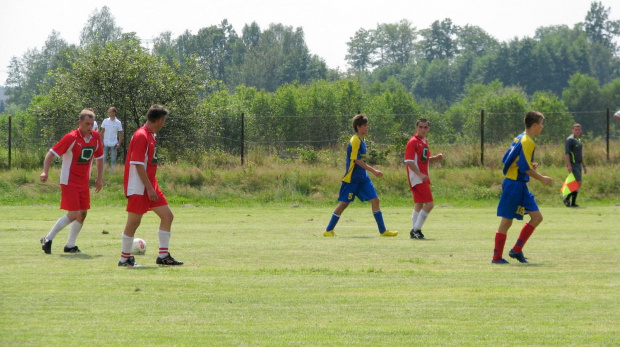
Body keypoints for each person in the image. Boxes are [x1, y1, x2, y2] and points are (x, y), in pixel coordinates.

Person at [118, 104, 183, 267]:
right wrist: (149, 188)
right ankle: (124, 259)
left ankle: (163, 256)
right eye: (164, 120)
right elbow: (138, 164)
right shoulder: (141, 135)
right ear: (160, 120)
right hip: (139, 187)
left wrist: (151, 186)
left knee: (167, 216)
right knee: (133, 222)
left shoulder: (150, 135)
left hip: (150, 185)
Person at [39, 109, 104, 254]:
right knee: (74, 213)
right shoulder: (71, 137)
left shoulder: (96, 137)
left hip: (83, 182)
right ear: (79, 123)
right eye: (87, 123)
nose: (89, 126)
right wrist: (45, 171)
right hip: (69, 180)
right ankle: (48, 238)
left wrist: (99, 178)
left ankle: (70, 245)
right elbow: (51, 154)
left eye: (92, 124)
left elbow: (100, 159)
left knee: (83, 213)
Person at [492, 111, 552, 264]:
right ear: (534, 125)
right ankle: (496, 258)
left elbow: (509, 159)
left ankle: (516, 250)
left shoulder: (520, 137)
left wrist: (529, 165)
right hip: (514, 185)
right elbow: (525, 168)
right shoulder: (527, 142)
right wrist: (542, 178)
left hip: (520, 185)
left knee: (537, 217)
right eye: (541, 124)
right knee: (507, 221)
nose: (542, 127)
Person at [324, 114, 398, 237]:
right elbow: (356, 160)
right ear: (358, 127)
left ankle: (383, 231)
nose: (367, 127)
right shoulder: (355, 141)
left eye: (367, 124)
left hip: (363, 179)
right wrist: (374, 170)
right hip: (351, 179)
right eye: (365, 125)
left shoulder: (363, 140)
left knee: (375, 200)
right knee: (343, 204)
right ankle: (328, 230)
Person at [405, 119, 443, 239]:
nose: (423, 129)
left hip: (422, 176)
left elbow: (422, 160)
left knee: (419, 204)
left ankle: (415, 232)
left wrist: (435, 158)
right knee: (430, 204)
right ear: (416, 128)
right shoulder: (413, 142)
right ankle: (415, 229)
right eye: (420, 127)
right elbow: (409, 161)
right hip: (418, 177)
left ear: (428, 129)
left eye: (425, 127)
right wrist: (420, 175)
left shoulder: (423, 141)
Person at [563, 124, 587, 207]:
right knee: (578, 182)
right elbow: (566, 153)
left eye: (579, 129)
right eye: (575, 129)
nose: (577, 131)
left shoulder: (579, 140)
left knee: (576, 183)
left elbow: (580, 154)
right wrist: (569, 165)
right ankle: (567, 199)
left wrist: (584, 166)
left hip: (578, 164)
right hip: (573, 164)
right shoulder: (570, 140)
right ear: (572, 130)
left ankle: (571, 202)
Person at [99, 106, 124, 172]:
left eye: (110, 112)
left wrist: (119, 142)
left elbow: (121, 133)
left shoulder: (118, 122)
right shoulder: (105, 121)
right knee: (103, 158)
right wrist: (101, 141)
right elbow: (102, 132)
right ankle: (102, 171)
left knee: (113, 159)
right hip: (105, 143)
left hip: (114, 143)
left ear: (114, 112)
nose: (109, 113)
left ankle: (112, 172)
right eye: (108, 112)